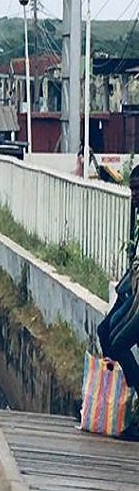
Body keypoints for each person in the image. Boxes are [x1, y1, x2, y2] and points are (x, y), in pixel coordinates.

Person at [98, 166, 139, 406]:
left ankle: (122, 400)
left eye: (137, 189)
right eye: (132, 189)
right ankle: (115, 400)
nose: (134, 194)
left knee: (116, 341)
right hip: (130, 293)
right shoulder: (135, 215)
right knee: (107, 334)